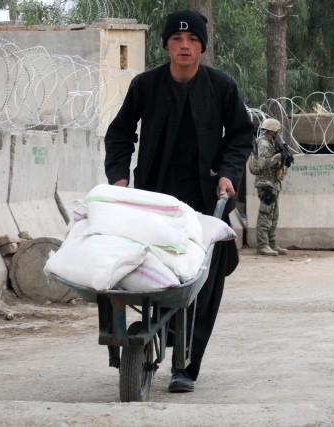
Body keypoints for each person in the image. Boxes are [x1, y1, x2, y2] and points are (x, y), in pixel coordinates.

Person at [103, 9, 254, 393]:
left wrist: (228, 173)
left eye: (192, 41)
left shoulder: (221, 86)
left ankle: (186, 366)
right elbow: (120, 134)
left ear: (201, 46)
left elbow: (240, 136)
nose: (184, 46)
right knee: (147, 275)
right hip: (155, 199)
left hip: (207, 201)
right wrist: (119, 176)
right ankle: (158, 336)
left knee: (205, 282)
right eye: (176, 40)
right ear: (167, 44)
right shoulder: (145, 85)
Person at [254, 118, 289, 256]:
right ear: (272, 130)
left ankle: (272, 243)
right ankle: (262, 245)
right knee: (265, 215)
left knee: (274, 216)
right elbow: (263, 164)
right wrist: (278, 156)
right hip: (266, 184)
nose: (277, 133)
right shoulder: (263, 143)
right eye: (276, 131)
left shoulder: (272, 142)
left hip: (273, 183)